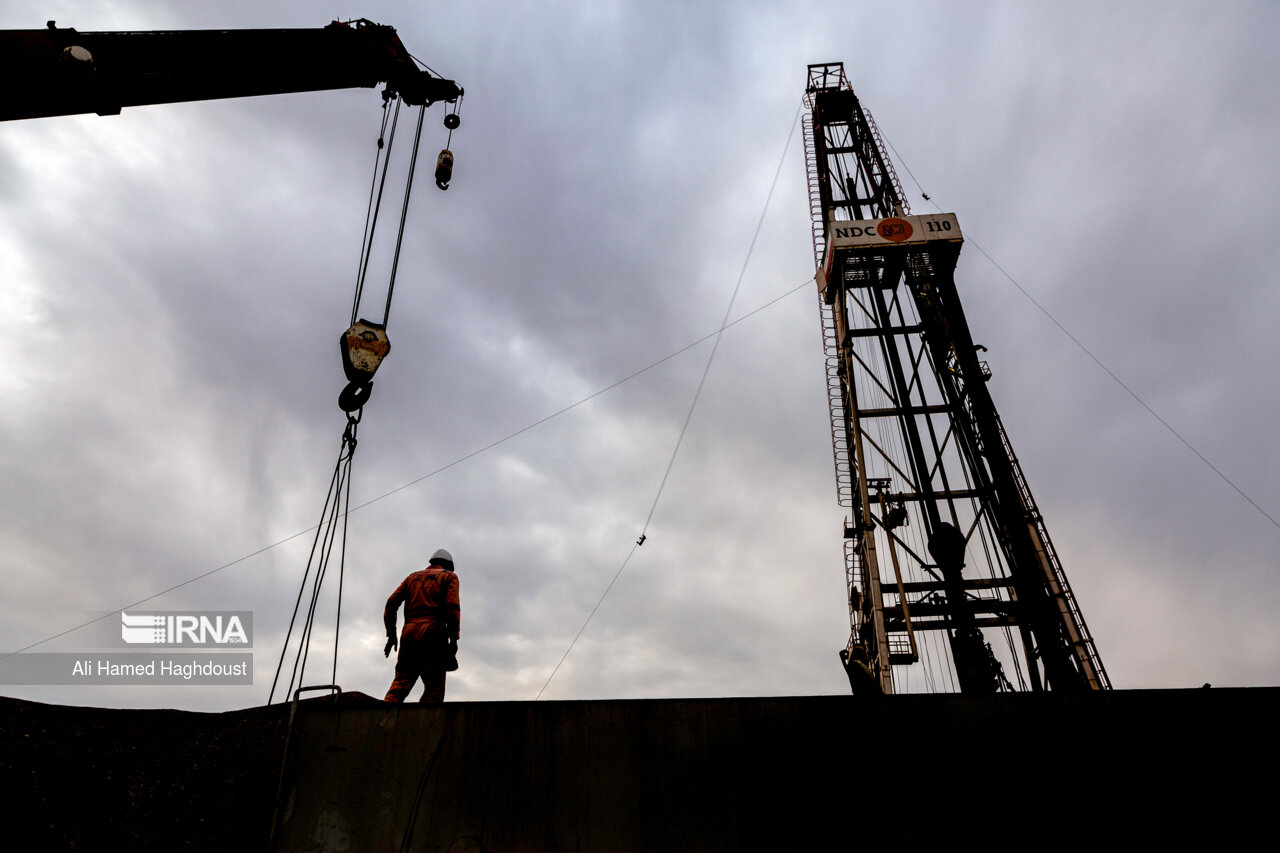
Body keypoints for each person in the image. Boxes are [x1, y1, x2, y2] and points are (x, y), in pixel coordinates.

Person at [383, 548, 460, 703]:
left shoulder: (411, 578)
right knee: (434, 688)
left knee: (400, 683)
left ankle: (380, 720)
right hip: (434, 632)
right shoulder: (449, 576)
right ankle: (427, 724)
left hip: (409, 633)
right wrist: (453, 639)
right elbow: (452, 607)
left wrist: (392, 634)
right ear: (449, 565)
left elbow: (391, 603)